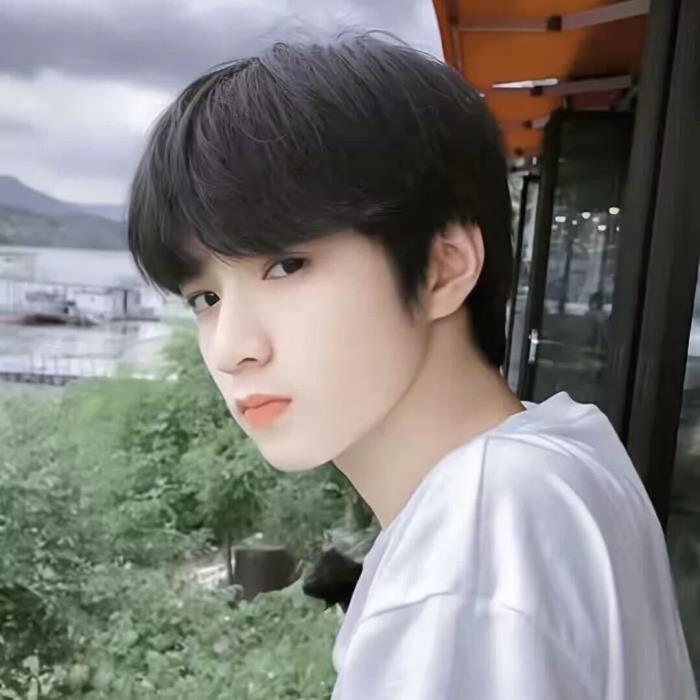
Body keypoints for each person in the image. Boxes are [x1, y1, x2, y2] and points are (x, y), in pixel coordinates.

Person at [125, 32, 698, 700]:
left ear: (442, 268)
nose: (231, 349)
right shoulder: (562, 451)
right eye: (206, 299)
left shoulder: (474, 542)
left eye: (286, 265)